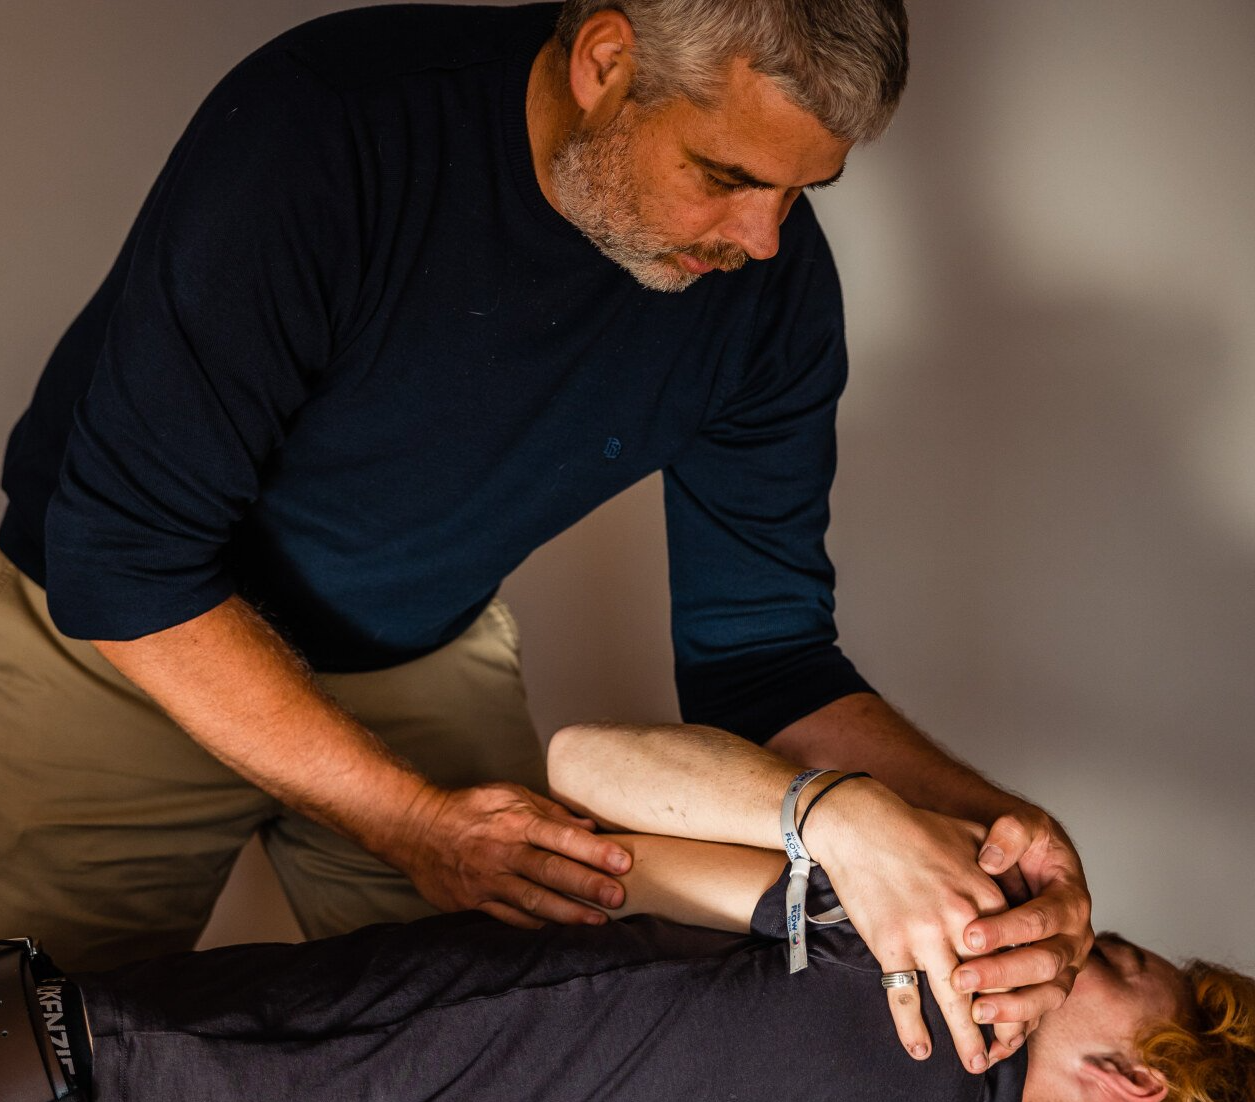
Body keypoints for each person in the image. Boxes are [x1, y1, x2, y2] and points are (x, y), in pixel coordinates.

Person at [0, 0, 1089, 1067]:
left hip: (415, 648)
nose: (763, 240)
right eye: (726, 176)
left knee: (524, 1039)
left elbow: (765, 664)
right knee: (17, 1034)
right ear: (605, 59)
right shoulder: (328, 123)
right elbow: (123, 554)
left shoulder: (773, 293)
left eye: (803, 192)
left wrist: (1004, 824)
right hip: (120, 640)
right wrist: (412, 824)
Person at [0, 722, 1255, 1102]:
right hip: (108, 1054)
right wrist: (846, 818)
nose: (1056, 932)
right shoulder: (909, 940)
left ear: (1130, 1087)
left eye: (1099, 951)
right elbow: (588, 782)